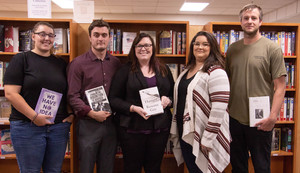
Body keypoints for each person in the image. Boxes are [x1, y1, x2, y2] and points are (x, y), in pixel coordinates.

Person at [4, 21, 73, 173]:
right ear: (33, 37)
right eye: (42, 34)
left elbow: (68, 92)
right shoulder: (21, 59)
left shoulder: (61, 64)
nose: (47, 38)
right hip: (27, 126)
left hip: (57, 128)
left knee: (54, 170)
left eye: (51, 35)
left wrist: (71, 115)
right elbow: (10, 93)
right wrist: (34, 117)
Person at [226, 4, 286, 173]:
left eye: (253, 18)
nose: (249, 21)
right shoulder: (232, 49)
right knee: (238, 167)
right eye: (246, 18)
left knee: (261, 167)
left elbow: (280, 86)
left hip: (260, 121)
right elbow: (228, 81)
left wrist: (273, 117)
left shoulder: (272, 48)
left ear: (260, 21)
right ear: (240, 22)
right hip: (235, 119)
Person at [109, 33, 174, 173]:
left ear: (153, 48)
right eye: (139, 45)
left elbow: (174, 95)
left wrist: (168, 100)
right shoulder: (124, 70)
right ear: (134, 48)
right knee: (132, 168)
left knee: (154, 168)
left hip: (159, 129)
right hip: (132, 129)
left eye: (147, 45)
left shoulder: (164, 69)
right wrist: (133, 108)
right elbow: (113, 99)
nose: (143, 49)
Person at [170, 31, 231, 173]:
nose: (200, 47)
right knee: (193, 169)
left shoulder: (216, 71)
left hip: (204, 134)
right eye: (196, 43)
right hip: (186, 130)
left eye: (205, 44)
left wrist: (208, 138)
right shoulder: (187, 70)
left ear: (212, 48)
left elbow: (219, 108)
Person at [67, 19, 121, 173]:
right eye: (96, 35)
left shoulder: (116, 63)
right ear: (90, 37)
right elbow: (72, 96)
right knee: (86, 168)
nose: (100, 38)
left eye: (104, 35)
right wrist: (91, 113)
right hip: (88, 124)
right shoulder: (77, 64)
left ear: (110, 38)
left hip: (111, 124)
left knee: (107, 168)